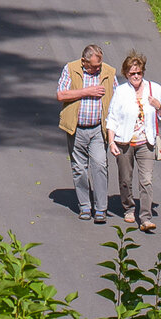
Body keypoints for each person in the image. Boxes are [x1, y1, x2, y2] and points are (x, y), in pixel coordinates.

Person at [106, 50, 161, 232]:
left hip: (146, 142)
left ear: (143, 73)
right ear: (126, 74)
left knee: (146, 180)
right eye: (132, 73)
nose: (136, 76)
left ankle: (146, 218)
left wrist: (158, 106)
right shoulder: (121, 92)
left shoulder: (154, 88)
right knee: (125, 179)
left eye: (138, 73)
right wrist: (111, 142)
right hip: (124, 142)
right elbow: (112, 118)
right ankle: (129, 208)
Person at [56, 44, 113, 224]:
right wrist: (87, 92)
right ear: (83, 62)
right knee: (79, 168)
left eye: (99, 64)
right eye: (94, 66)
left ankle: (101, 208)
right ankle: (85, 206)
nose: (98, 68)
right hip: (77, 127)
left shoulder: (108, 72)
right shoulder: (71, 69)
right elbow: (61, 95)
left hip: (98, 128)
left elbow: (117, 96)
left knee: (100, 165)